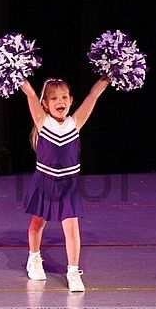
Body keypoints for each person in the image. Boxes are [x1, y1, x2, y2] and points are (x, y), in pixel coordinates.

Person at [20, 76, 110, 291]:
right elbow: (31, 94)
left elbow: (93, 95)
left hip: (68, 185)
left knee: (71, 227)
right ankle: (34, 257)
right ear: (45, 103)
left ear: (71, 100)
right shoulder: (42, 121)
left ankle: (73, 271)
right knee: (37, 223)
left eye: (64, 97)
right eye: (54, 98)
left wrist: (109, 76)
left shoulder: (75, 123)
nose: (60, 101)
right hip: (45, 181)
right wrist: (17, 72)